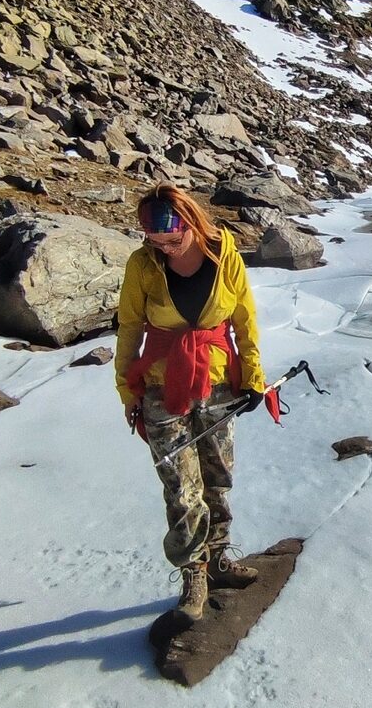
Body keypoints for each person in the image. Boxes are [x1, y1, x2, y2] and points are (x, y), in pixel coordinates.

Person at [114, 183, 267, 623]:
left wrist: (253, 377)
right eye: (154, 240)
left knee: (218, 474)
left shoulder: (225, 255)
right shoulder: (143, 265)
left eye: (171, 239)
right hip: (163, 387)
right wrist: (128, 390)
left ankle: (218, 558)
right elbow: (129, 327)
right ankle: (194, 573)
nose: (163, 247)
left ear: (192, 224)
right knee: (181, 487)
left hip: (219, 382)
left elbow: (244, 319)